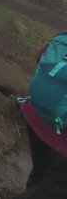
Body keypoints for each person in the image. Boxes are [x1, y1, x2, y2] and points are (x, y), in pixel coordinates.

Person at [17, 40, 67, 198]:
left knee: (39, 174)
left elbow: (41, 55)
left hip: (36, 113)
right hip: (60, 134)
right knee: (55, 189)